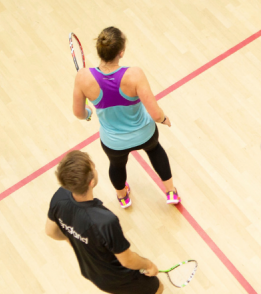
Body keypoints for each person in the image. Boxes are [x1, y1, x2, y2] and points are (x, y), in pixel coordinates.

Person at [45, 150, 164, 294]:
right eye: (94, 167)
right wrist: (149, 264)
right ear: (92, 182)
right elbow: (126, 260)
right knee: (155, 291)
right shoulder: (104, 221)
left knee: (121, 291)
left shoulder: (60, 197)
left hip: (91, 270)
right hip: (115, 273)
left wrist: (76, 240)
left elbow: (51, 232)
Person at [72, 26, 180, 208]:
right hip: (144, 134)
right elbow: (155, 113)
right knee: (155, 151)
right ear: (121, 53)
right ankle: (170, 192)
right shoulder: (134, 74)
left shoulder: (83, 77)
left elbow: (79, 113)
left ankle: (123, 197)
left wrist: (88, 113)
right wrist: (163, 119)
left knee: (117, 165)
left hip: (113, 142)